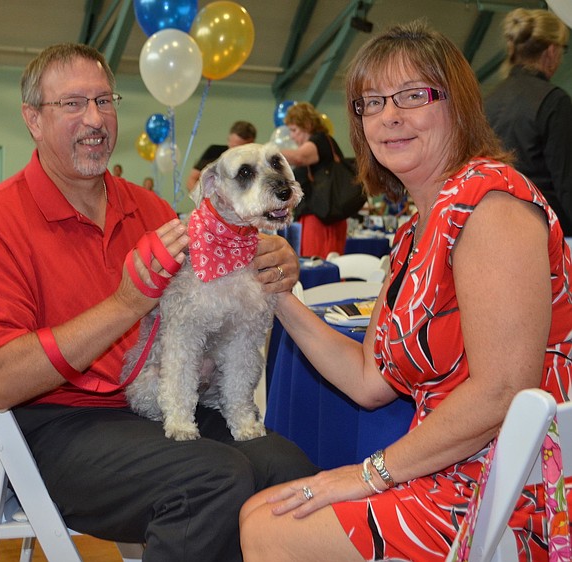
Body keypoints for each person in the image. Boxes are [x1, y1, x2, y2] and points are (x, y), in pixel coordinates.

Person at [0, 43, 318, 562]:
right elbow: (0, 381)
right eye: (72, 104)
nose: (95, 118)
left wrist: (272, 260)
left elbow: (226, 290)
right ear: (32, 119)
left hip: (150, 402)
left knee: (288, 469)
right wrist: (125, 303)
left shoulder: (151, 209)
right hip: (54, 424)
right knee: (213, 481)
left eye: (104, 100)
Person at [240, 20, 572, 562]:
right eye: (370, 103)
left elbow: (503, 391)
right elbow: (370, 380)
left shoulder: (490, 203)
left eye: (413, 96)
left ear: (458, 105)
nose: (389, 116)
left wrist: (367, 474)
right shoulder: (413, 230)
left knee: (270, 530)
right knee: (262, 513)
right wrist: (280, 296)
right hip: (453, 472)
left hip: (513, 490)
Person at [484, 8, 572, 235]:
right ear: (552, 51)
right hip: (549, 233)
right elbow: (567, 184)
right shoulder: (554, 102)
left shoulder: (488, 101)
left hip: (498, 229)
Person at [280, 102, 349, 257]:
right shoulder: (323, 142)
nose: (292, 136)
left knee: (317, 265)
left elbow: (299, 157)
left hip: (321, 221)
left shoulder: (320, 140)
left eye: (294, 130)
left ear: (307, 125)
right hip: (321, 217)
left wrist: (267, 152)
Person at [186, 120, 256, 191]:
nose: (235, 152)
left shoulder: (256, 161)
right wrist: (202, 201)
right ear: (228, 139)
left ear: (252, 144)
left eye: (241, 148)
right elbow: (192, 180)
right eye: (234, 147)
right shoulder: (214, 152)